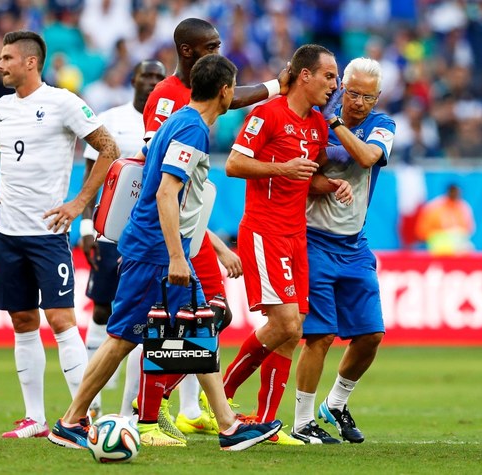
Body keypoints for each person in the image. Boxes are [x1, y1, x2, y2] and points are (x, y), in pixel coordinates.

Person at [47, 54, 282, 451]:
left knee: (196, 327)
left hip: (154, 244)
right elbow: (166, 191)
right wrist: (176, 256)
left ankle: (226, 426)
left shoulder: (179, 121)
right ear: (225, 92)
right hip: (157, 248)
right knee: (123, 338)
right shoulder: (192, 130)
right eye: (233, 88)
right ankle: (70, 421)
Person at [134, 17, 291, 445]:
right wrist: (181, 249)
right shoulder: (169, 101)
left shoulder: (202, 102)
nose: (219, 50)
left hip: (190, 232)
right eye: (212, 45)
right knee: (150, 328)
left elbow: (231, 97)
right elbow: (164, 183)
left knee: (205, 317)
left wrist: (276, 86)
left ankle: (206, 416)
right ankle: (144, 412)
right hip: (167, 235)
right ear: (188, 51)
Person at [0, 30, 119, 439]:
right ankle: (35, 418)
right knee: (22, 319)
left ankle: (81, 417)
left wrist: (78, 204)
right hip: (6, 232)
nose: (0, 65)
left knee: (60, 319)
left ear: (30, 62)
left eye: (7, 58)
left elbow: (107, 148)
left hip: (47, 232)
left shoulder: (63, 103)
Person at [222, 44, 353, 445]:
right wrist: (281, 167)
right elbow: (234, 164)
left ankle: (265, 420)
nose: (336, 85)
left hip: (296, 235)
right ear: (304, 75)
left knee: (292, 332)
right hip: (264, 231)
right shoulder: (267, 113)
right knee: (286, 323)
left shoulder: (317, 126)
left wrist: (331, 185)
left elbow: (304, 179)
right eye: (330, 76)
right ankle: (222, 398)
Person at [291, 57, 396, 444]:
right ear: (340, 88)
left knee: (371, 334)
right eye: (352, 93)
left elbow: (369, 157)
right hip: (313, 238)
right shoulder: (310, 121)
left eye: (367, 97)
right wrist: (326, 177)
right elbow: (305, 168)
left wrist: (334, 124)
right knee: (320, 335)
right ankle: (302, 422)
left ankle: (334, 404)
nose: (359, 103)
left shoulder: (382, 126)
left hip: (354, 244)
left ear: (377, 98)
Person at [79, 59, 167, 420]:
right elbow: (92, 174)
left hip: (150, 230)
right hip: (111, 227)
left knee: (144, 315)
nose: (152, 81)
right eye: (146, 75)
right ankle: (93, 391)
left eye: (159, 77)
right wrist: (86, 227)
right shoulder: (112, 119)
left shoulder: (167, 118)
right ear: (132, 78)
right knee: (102, 305)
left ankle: (132, 402)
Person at [415, 183, 475, 255]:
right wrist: (443, 235)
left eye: (458, 193)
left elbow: (469, 229)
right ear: (448, 192)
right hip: (438, 245)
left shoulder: (464, 207)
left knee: (468, 248)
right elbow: (422, 231)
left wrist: (455, 233)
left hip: (459, 245)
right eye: (454, 192)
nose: (456, 195)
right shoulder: (434, 207)